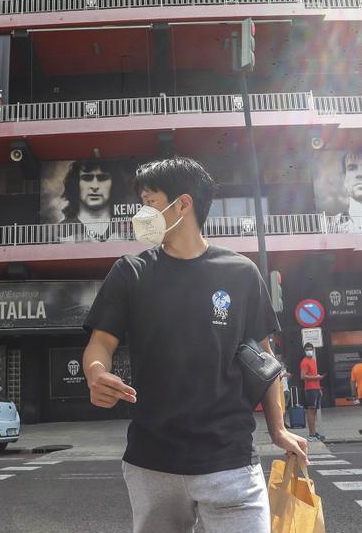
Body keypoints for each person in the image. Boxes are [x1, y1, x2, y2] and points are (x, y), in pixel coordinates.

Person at [81, 156, 307, 533]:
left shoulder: (241, 273)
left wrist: (278, 429)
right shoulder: (131, 272)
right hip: (152, 463)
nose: (142, 212)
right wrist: (95, 373)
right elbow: (100, 343)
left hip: (231, 461)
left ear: (182, 204)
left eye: (150, 202)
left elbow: (265, 361)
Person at [58, 161, 127, 242]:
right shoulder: (61, 231)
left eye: (103, 178)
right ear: (75, 184)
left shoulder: (126, 227)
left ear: (114, 184)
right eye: (87, 178)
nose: (95, 186)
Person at [299, 342, 326, 442]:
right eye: (307, 349)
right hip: (310, 389)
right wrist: (316, 377)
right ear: (304, 351)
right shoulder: (305, 361)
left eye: (310, 349)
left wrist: (319, 386)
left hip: (316, 388)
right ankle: (311, 434)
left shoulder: (313, 361)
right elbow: (302, 376)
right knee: (311, 411)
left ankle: (314, 433)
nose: (309, 351)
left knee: (314, 412)